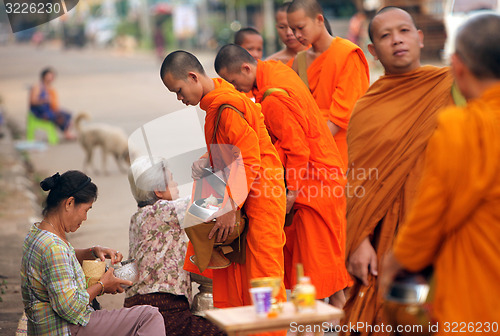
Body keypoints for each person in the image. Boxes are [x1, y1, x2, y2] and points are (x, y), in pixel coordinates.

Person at [380, 13, 500, 335]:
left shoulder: (461, 129)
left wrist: (395, 262)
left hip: (476, 297)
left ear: (458, 67)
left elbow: (429, 216)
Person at [341, 7, 457, 335]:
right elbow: (357, 183)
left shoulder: (451, 86)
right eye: (385, 35)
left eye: (404, 31)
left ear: (419, 38)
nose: (397, 40)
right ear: (374, 52)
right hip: (390, 244)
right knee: (399, 320)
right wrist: (359, 239)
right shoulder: (367, 108)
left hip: (443, 230)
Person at [160, 51, 286, 336]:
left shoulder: (226, 107)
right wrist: (208, 159)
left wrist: (230, 206)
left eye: (179, 90)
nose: (180, 98)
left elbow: (251, 159)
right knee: (234, 271)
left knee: (263, 277)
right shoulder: (219, 99)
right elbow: (232, 149)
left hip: (261, 191)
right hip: (242, 188)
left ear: (193, 77)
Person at [215, 44, 350, 308]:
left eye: (234, 82)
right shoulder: (275, 70)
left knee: (315, 274)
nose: (236, 89)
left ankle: (331, 325)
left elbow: (298, 150)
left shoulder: (273, 98)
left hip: (313, 185)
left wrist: (290, 193)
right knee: (327, 276)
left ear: (246, 68)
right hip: (323, 174)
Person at [20, 170, 165, 336]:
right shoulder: (54, 247)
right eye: (86, 210)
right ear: (69, 203)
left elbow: (63, 258)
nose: (85, 218)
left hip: (48, 327)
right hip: (64, 328)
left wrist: (93, 252)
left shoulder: (38, 233)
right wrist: (102, 285)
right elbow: (70, 308)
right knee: (149, 316)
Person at [124, 156, 224, 336]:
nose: (177, 183)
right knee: (223, 331)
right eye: (172, 180)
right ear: (158, 191)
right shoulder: (165, 210)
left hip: (134, 304)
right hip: (164, 307)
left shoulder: (137, 218)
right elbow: (211, 202)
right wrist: (211, 171)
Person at [287, 0, 370, 169]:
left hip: (341, 152)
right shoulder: (299, 61)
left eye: (301, 28)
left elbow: (342, 115)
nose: (296, 35)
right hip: (308, 156)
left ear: (319, 19)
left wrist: (308, 149)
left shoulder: (347, 54)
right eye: (293, 29)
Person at [29, 67, 75, 140]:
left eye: (52, 77)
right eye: (49, 76)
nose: (50, 78)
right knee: (60, 116)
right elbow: (33, 101)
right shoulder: (37, 86)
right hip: (39, 112)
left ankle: (67, 133)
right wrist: (44, 100)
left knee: (68, 115)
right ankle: (67, 134)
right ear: (44, 76)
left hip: (48, 110)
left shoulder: (50, 88)